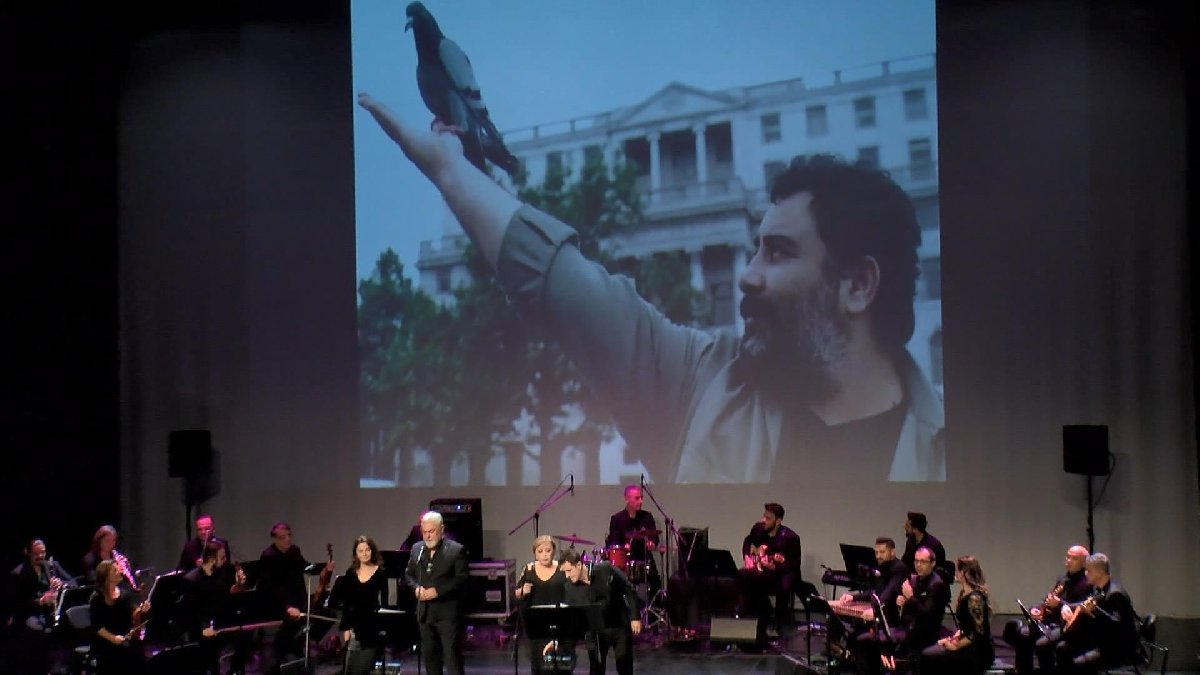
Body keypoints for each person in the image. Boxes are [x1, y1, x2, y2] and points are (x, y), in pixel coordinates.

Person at [355, 94, 944, 485]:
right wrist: (450, 169)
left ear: (858, 285)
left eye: (780, 252)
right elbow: (565, 285)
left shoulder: (950, 448)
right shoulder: (700, 383)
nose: (747, 275)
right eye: (754, 249)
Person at [855, 546, 948, 675]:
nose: (918, 565)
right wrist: (901, 603)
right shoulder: (914, 580)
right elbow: (904, 612)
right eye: (916, 561)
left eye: (923, 562)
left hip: (922, 635)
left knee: (871, 642)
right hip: (906, 628)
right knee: (864, 639)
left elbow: (927, 617)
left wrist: (910, 598)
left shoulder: (937, 585)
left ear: (933, 563)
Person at [1002, 545, 1092, 674]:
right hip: (1050, 623)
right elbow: (1048, 599)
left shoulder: (1087, 582)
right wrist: (1036, 608)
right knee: (1022, 635)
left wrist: (1060, 604)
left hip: (1068, 627)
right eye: (1067, 557)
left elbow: (1082, 606)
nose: (1068, 560)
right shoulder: (1063, 579)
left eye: (1074, 558)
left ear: (1084, 562)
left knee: (1043, 644)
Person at [258, 521, 330, 672]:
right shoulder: (268, 557)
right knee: (290, 626)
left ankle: (295, 646)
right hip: (279, 604)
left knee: (325, 614)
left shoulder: (294, 551)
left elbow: (305, 566)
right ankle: (285, 654)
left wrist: (322, 568)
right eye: (283, 537)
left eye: (289, 536)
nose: (287, 539)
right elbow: (271, 588)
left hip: (298, 600)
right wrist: (287, 607)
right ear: (275, 539)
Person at [557, 548, 640, 675]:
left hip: (618, 625)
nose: (567, 576)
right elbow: (571, 617)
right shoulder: (569, 588)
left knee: (624, 667)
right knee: (596, 669)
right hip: (595, 632)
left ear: (579, 565)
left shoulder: (605, 569)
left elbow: (629, 589)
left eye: (569, 570)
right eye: (564, 572)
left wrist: (635, 617)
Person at [826, 537, 909, 664]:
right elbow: (876, 591)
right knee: (834, 617)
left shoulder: (899, 568)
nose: (878, 556)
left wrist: (875, 610)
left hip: (891, 615)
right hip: (880, 608)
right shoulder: (881, 567)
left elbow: (889, 592)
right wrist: (853, 597)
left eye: (882, 552)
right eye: (876, 552)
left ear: (892, 552)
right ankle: (841, 653)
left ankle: (853, 656)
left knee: (858, 626)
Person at [405, 511, 469, 675]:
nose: (427, 536)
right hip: (425, 614)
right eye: (424, 532)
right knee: (430, 658)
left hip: (447, 615)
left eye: (431, 531)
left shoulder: (456, 550)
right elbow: (409, 575)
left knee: (451, 658)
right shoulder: (417, 549)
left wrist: (438, 591)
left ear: (441, 529)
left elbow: (462, 579)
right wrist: (416, 588)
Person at [1056, 553, 1140, 673]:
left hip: (1116, 647)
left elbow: (1117, 624)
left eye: (1088, 571)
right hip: (1100, 640)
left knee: (1077, 664)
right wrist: (1065, 606)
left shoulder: (1115, 593)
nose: (1085, 574)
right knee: (1063, 647)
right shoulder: (1098, 588)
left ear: (1100, 573)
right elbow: (1084, 604)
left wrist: (1095, 609)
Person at [738, 502, 803, 649]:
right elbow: (748, 541)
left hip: (781, 574)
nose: (764, 520)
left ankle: (774, 623)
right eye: (764, 516)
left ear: (778, 521)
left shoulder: (791, 538)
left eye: (768, 518)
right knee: (743, 576)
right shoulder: (758, 529)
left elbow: (793, 564)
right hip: (763, 572)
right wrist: (747, 556)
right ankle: (746, 619)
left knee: (778, 584)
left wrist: (775, 566)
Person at [8, 539, 76, 673]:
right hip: (30, 614)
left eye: (43, 552)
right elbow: (16, 605)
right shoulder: (18, 573)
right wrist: (40, 601)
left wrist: (62, 583)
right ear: (27, 553)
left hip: (51, 612)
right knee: (39, 631)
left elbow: (74, 582)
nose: (40, 556)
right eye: (36, 554)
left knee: (70, 628)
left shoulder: (52, 566)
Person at [183, 539, 250, 675]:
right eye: (222, 558)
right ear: (212, 559)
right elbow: (189, 612)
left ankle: (234, 671)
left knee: (245, 635)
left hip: (220, 623)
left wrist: (239, 585)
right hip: (201, 628)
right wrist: (203, 628)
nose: (225, 561)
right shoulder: (192, 580)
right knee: (209, 648)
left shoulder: (221, 573)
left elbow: (226, 598)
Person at [920, 556, 993, 674]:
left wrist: (956, 646)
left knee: (931, 657)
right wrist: (952, 639)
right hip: (967, 641)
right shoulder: (964, 593)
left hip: (978, 650)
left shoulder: (975, 598)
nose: (956, 573)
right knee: (928, 653)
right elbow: (966, 627)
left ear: (965, 573)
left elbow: (977, 633)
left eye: (958, 570)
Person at [338, 536, 389, 675]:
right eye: (360, 551)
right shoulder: (350, 574)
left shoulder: (381, 573)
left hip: (372, 628)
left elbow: (384, 602)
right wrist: (346, 629)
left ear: (372, 551)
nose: (364, 553)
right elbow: (347, 604)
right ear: (356, 554)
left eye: (367, 550)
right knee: (349, 669)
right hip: (354, 628)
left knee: (363, 669)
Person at [88, 559, 149, 674]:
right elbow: (97, 627)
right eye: (115, 570)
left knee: (138, 651)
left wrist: (142, 610)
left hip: (124, 638)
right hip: (107, 641)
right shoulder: (97, 598)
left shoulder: (124, 594)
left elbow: (134, 612)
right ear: (106, 577)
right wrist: (114, 638)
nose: (120, 572)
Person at [515, 535, 566, 672]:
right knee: (538, 664)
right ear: (535, 554)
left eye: (548, 551)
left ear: (553, 552)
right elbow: (517, 593)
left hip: (557, 623)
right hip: (536, 625)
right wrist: (523, 590)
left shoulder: (561, 569)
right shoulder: (529, 570)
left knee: (559, 665)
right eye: (540, 551)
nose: (544, 554)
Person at [604, 486, 658, 579]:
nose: (640, 501)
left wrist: (652, 543)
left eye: (641, 498)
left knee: (655, 580)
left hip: (644, 558)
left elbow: (654, 536)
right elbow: (613, 541)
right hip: (625, 560)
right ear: (627, 499)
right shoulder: (617, 519)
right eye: (637, 498)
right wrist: (623, 546)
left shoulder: (647, 517)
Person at [82, 525, 137, 590]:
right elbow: (93, 580)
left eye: (113, 540)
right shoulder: (90, 559)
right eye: (107, 540)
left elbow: (124, 582)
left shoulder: (117, 558)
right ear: (99, 541)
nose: (111, 544)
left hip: (117, 593)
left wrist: (126, 569)